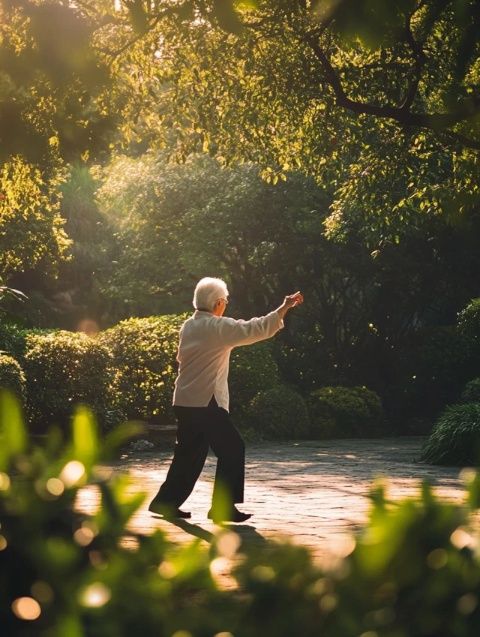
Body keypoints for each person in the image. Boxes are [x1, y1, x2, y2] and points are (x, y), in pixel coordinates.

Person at [149, 277, 303, 523]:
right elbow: (257, 328)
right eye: (226, 301)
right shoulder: (216, 328)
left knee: (189, 453)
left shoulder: (189, 325)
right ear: (218, 303)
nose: (226, 305)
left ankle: (165, 502)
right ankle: (222, 508)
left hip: (185, 400)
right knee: (232, 448)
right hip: (205, 400)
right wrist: (284, 307)